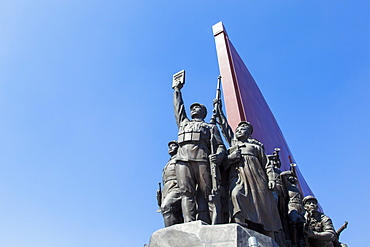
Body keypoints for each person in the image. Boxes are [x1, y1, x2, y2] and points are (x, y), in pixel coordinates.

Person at [173, 82, 225, 224]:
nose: (194, 109)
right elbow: (179, 107)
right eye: (193, 108)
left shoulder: (210, 127)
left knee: (209, 194)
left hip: (202, 160)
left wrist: (219, 156)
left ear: (203, 112)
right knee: (186, 193)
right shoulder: (183, 123)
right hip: (183, 160)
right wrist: (177, 90)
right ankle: (189, 224)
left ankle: (215, 223)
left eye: (197, 107)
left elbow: (220, 146)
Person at [226, 122, 282, 238]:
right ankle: (239, 225)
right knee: (236, 194)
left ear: (249, 133)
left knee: (263, 204)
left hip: (257, 179)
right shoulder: (232, 148)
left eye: (243, 129)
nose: (239, 131)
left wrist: (271, 179)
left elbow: (267, 165)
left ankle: (269, 233)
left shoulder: (255, 148)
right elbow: (223, 166)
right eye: (238, 129)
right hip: (239, 178)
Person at [159, 140, 183, 227]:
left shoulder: (180, 158)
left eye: (173, 146)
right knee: (172, 212)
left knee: (167, 206)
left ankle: (170, 234)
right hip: (167, 188)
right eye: (169, 146)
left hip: (177, 186)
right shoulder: (168, 163)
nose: (170, 148)